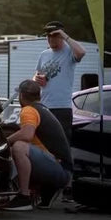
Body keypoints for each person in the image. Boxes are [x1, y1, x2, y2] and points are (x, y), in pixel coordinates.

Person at [0, 80, 73, 211]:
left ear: (21, 95)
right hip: (63, 170)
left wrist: (4, 142)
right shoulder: (43, 109)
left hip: (59, 170)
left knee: (18, 147)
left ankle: (24, 197)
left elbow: (27, 134)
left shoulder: (29, 110)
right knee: (22, 145)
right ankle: (47, 190)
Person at [33, 21, 85, 202]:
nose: (49, 39)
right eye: (47, 35)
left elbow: (82, 53)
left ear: (60, 35)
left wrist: (64, 35)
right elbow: (36, 75)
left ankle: (68, 188)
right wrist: (37, 80)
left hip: (62, 106)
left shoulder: (69, 51)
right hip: (44, 106)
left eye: (53, 35)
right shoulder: (44, 54)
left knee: (63, 147)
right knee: (44, 147)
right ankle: (45, 187)